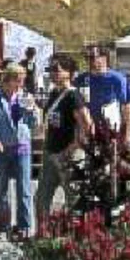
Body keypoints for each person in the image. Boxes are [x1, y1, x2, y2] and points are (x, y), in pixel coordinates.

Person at [37, 51, 94, 220]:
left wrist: (72, 148)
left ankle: (75, 237)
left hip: (68, 154)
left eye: (57, 69)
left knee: (73, 198)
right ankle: (43, 235)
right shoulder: (54, 93)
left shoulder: (73, 96)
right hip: (51, 152)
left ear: (69, 73)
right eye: (51, 70)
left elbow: (87, 125)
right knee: (41, 197)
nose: (53, 73)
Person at [0, 64, 36, 238]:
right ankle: (3, 226)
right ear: (8, 80)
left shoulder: (25, 97)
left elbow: (33, 124)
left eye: (22, 81)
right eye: (18, 81)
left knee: (24, 189)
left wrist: (31, 111)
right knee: (2, 190)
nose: (20, 85)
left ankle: (24, 226)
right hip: (2, 148)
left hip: (22, 146)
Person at [77, 45, 130, 154]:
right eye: (88, 58)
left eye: (93, 57)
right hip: (91, 131)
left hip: (115, 130)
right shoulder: (81, 80)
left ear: (104, 58)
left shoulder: (118, 79)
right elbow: (79, 106)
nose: (90, 61)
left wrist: (127, 134)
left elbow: (127, 107)